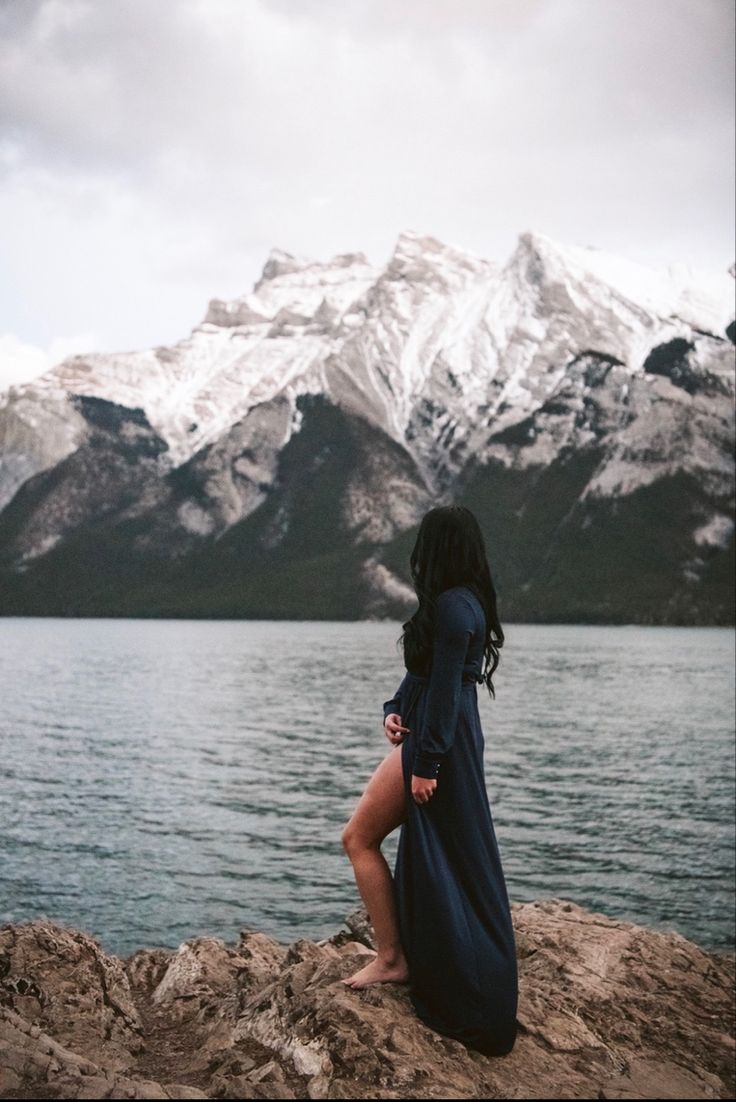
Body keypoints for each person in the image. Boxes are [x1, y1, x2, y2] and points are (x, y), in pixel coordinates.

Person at [340, 504, 518, 1057]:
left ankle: (394, 959)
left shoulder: (454, 607)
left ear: (436, 548)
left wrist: (426, 765)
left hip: (440, 745)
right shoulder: (459, 604)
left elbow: (446, 694)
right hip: (432, 737)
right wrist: (393, 707)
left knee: (363, 839)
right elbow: (424, 679)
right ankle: (397, 955)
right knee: (436, 851)